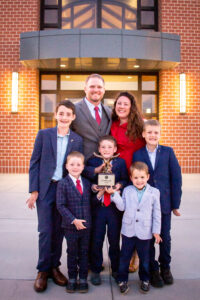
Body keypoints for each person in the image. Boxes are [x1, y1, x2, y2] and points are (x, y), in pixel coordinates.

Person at [26, 100, 83, 292]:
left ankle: (54, 267)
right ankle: (42, 270)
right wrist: (34, 190)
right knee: (45, 230)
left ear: (73, 117)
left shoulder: (77, 139)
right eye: (61, 113)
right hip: (46, 188)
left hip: (64, 189)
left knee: (59, 231)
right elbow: (34, 162)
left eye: (68, 114)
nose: (64, 117)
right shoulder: (43, 135)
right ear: (56, 115)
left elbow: (78, 168)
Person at [133, 119, 182, 288]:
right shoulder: (138, 154)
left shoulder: (168, 152)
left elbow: (176, 178)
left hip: (164, 203)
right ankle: (152, 269)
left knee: (164, 237)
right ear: (143, 134)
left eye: (156, 132)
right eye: (149, 132)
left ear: (160, 134)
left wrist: (175, 204)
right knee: (148, 239)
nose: (153, 135)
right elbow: (134, 178)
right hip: (145, 205)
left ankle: (165, 267)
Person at [107, 161, 161, 294]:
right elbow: (122, 207)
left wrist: (156, 231)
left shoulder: (154, 192)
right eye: (136, 177)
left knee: (145, 258)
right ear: (131, 178)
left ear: (148, 177)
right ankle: (122, 280)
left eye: (142, 177)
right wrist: (114, 195)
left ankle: (145, 279)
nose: (139, 180)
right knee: (124, 257)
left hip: (145, 231)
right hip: (128, 231)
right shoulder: (127, 190)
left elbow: (157, 213)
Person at [84, 135, 129, 285]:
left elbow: (124, 179)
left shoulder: (121, 163)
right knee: (97, 240)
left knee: (114, 240)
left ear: (115, 149)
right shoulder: (93, 162)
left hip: (114, 209)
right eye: (103, 147)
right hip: (98, 208)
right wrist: (94, 187)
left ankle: (116, 268)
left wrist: (118, 186)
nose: (106, 150)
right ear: (98, 149)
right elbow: (88, 180)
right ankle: (96, 269)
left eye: (110, 147)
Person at [111, 91, 145, 272]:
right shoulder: (112, 125)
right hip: (117, 176)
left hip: (134, 177)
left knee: (133, 218)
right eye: (119, 103)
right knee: (119, 218)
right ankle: (120, 254)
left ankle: (135, 255)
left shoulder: (139, 126)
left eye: (125, 104)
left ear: (131, 107)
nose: (121, 106)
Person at [56, 151, 91, 293]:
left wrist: (100, 194)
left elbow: (92, 203)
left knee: (84, 252)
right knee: (72, 252)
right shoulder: (62, 184)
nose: (75, 167)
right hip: (70, 227)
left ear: (83, 167)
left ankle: (82, 278)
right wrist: (73, 220)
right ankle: (71, 278)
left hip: (86, 226)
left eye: (78, 164)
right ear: (66, 166)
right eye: (72, 164)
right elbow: (60, 205)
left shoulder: (88, 184)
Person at [72, 73, 112, 161]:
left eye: (99, 87)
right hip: (81, 166)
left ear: (104, 90)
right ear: (85, 89)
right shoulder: (74, 109)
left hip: (105, 166)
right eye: (92, 86)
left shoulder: (109, 112)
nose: (96, 90)